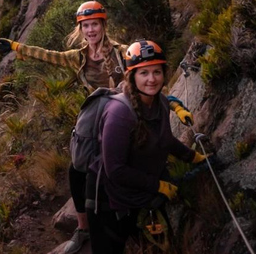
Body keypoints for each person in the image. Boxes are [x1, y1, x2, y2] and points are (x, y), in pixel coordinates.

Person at [0, 1, 193, 254]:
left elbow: (152, 81)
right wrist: (14, 46)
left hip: (129, 119)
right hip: (101, 121)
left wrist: (175, 106)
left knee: (107, 170)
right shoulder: (78, 57)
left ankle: (124, 221)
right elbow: (47, 55)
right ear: (81, 29)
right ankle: (83, 228)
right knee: (76, 171)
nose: (91, 30)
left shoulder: (123, 52)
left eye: (95, 24)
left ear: (103, 25)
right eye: (86, 25)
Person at [85, 40, 206, 254]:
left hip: (143, 191)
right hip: (112, 201)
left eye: (157, 72)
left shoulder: (160, 101)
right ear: (132, 76)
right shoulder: (119, 114)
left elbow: (164, 140)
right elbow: (115, 170)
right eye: (144, 73)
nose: (152, 79)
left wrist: (192, 157)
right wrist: (157, 185)